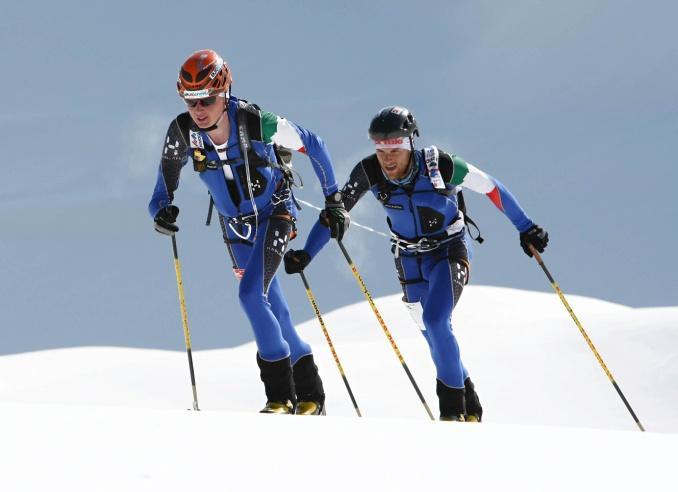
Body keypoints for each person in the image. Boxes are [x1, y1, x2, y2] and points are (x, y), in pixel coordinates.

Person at [284, 106, 548, 421]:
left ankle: (452, 414)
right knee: (432, 335)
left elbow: (491, 187)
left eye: (394, 146)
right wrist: (307, 254)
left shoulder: (442, 166)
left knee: (437, 322)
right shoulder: (369, 171)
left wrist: (526, 227)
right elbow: (335, 214)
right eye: (380, 147)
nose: (387, 156)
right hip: (409, 260)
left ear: (410, 142)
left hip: (450, 251)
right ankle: (470, 401)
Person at [148, 49, 350, 415]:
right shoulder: (182, 131)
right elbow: (162, 188)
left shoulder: (257, 122)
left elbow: (315, 144)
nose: (199, 109)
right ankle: (311, 395)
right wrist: (161, 210)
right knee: (273, 307)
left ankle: (280, 397)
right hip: (235, 229)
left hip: (275, 215)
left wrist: (333, 199)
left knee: (250, 296)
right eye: (190, 100)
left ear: (224, 90)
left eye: (207, 99)